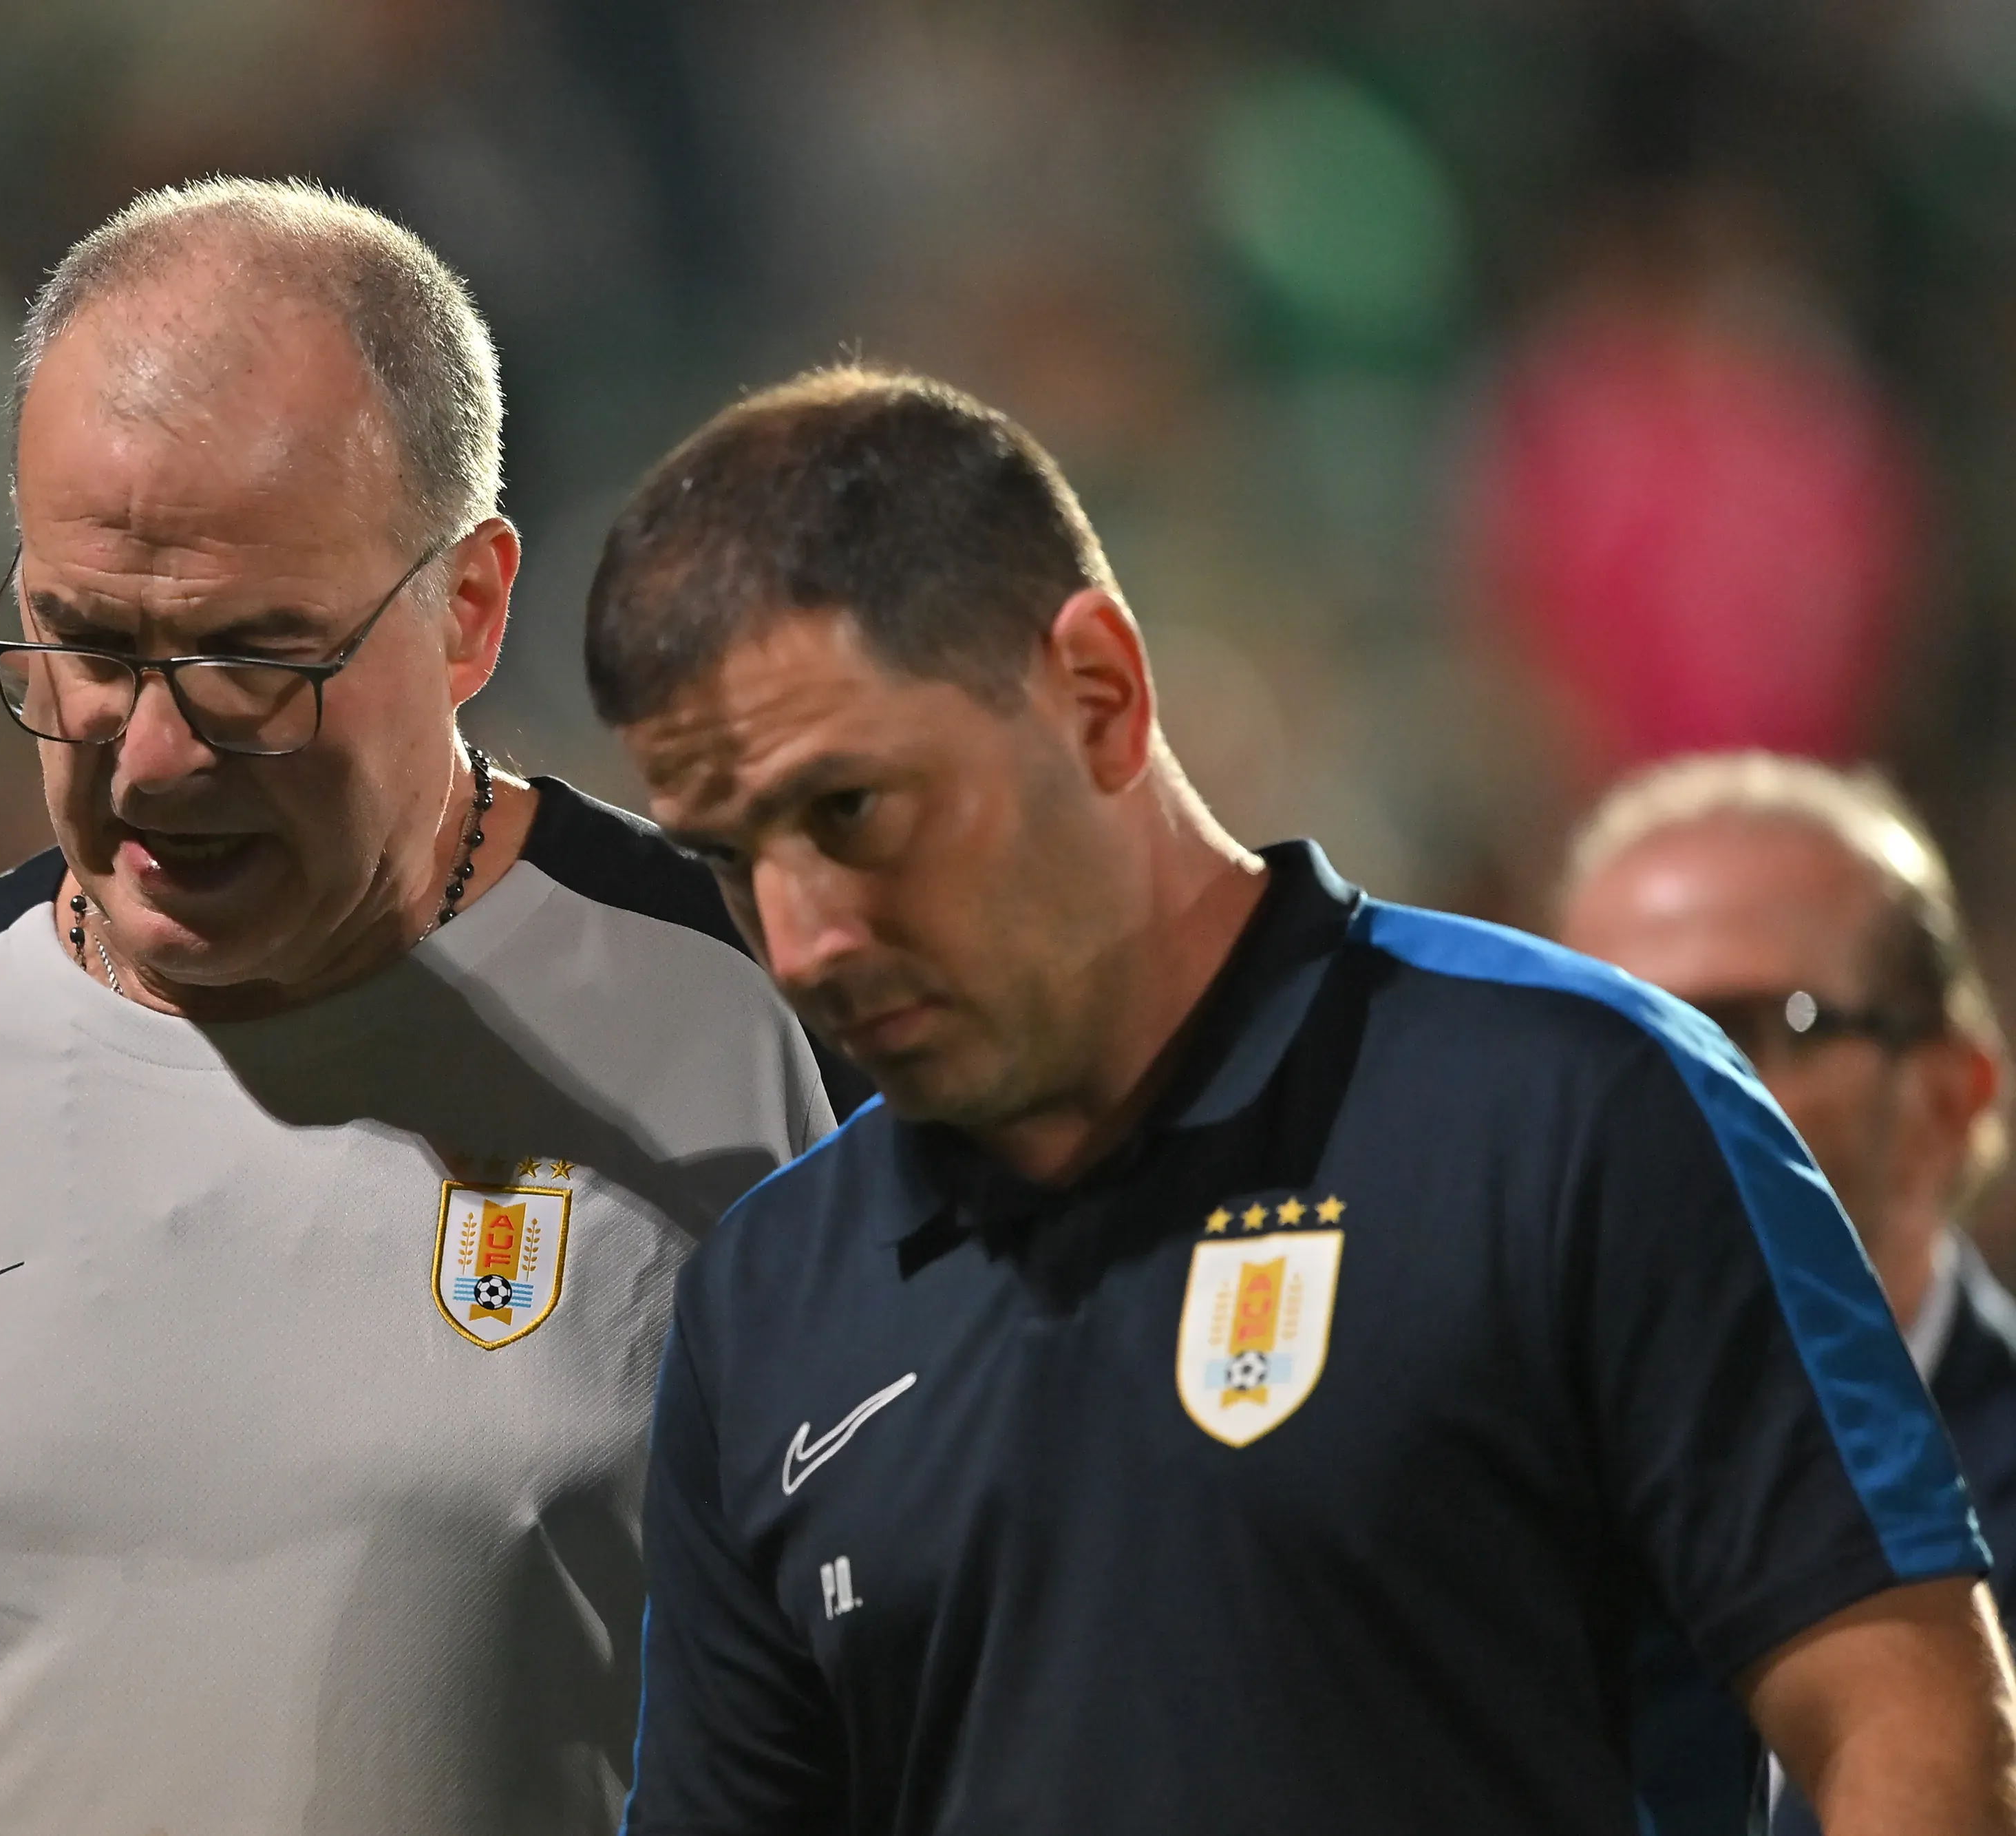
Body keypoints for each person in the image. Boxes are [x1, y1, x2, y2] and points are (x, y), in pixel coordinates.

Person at [582, 365, 2016, 1835]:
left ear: (1097, 692)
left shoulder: (1570, 1108)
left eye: (849, 811)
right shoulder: (764, 1301)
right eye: (726, 858)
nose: (801, 933)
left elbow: (1900, 1714)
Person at [0, 179, 840, 1836]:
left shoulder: (749, 1018)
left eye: (254, 659)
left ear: (468, 607)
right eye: (89, 643)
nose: (150, 757)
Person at [1557, 752, 2016, 1836]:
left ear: (1948, 1098)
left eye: (1743, 1034)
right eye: (1600, 1045)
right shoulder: (1468, 1511)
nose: (1655, 1100)